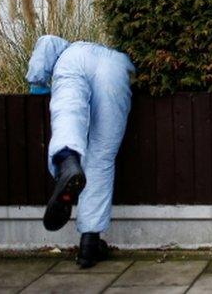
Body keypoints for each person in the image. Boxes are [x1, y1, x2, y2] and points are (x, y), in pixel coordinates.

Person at [26, 35, 135, 268]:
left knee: (68, 116)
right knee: (101, 158)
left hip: (72, 61)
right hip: (117, 68)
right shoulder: (115, 53)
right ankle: (89, 244)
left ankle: (67, 159)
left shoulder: (65, 46)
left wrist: (38, 83)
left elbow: (45, 42)